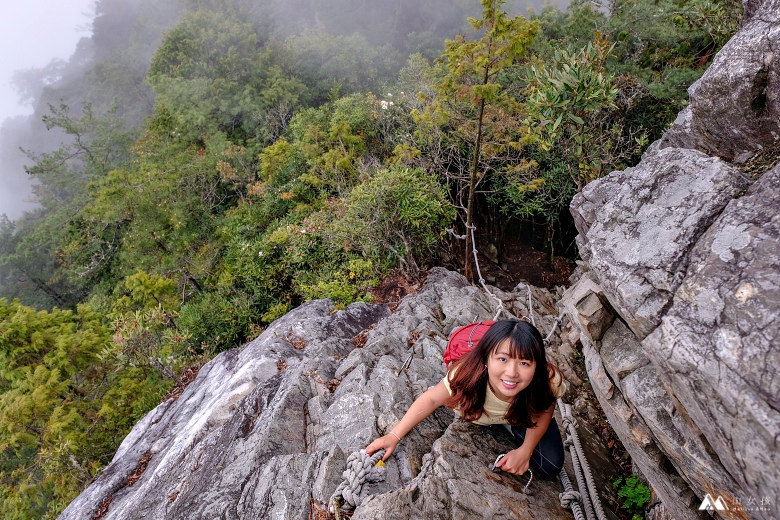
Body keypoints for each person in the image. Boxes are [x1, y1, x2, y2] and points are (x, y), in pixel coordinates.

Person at [366, 319, 566, 478]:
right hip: (483, 409)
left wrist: (526, 450)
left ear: (537, 365)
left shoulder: (547, 380)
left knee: (550, 466)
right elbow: (432, 399)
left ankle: (508, 423)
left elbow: (545, 406)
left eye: (524, 362)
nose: (512, 373)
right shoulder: (465, 375)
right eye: (502, 359)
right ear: (487, 358)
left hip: (519, 414)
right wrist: (394, 436)